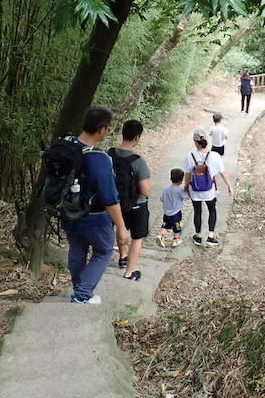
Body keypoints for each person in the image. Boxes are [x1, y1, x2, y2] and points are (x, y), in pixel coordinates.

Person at [62, 105, 130, 304]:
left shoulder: (66, 145)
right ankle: (82, 294)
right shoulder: (99, 158)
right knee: (103, 251)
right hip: (93, 217)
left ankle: (79, 289)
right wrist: (122, 228)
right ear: (103, 129)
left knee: (77, 248)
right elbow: (110, 199)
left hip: (67, 211)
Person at [110, 119, 152, 281]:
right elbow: (145, 191)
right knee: (137, 237)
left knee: (121, 227)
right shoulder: (138, 161)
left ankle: (122, 257)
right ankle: (129, 272)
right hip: (136, 205)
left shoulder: (109, 154)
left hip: (113, 203)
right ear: (137, 137)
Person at [183, 129, 233, 246]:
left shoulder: (190, 157)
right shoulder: (215, 156)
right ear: (206, 140)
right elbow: (222, 172)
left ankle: (198, 236)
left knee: (197, 211)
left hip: (195, 190)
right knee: (212, 210)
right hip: (209, 190)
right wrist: (229, 185)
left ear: (195, 142)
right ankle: (210, 236)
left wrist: (185, 186)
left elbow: (188, 175)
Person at [158, 168, 186, 248]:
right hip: (176, 212)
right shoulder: (179, 190)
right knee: (177, 226)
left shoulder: (165, 189)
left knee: (165, 226)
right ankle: (175, 240)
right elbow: (186, 197)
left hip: (166, 212)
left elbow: (161, 199)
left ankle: (161, 235)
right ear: (181, 180)